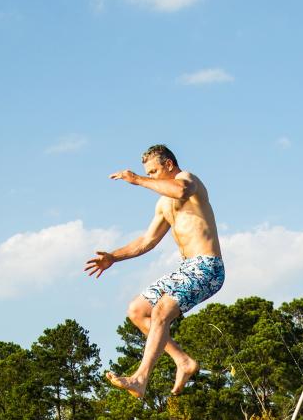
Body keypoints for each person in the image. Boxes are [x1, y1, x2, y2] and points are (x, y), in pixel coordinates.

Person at [84, 145, 224, 399]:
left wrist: (137, 180)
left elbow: (181, 190)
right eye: (147, 173)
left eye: (154, 171)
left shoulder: (188, 181)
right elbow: (147, 240)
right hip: (186, 268)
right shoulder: (163, 204)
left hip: (207, 267)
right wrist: (113, 256)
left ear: (169, 165)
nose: (152, 177)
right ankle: (183, 361)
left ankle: (140, 378)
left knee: (160, 311)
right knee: (136, 310)